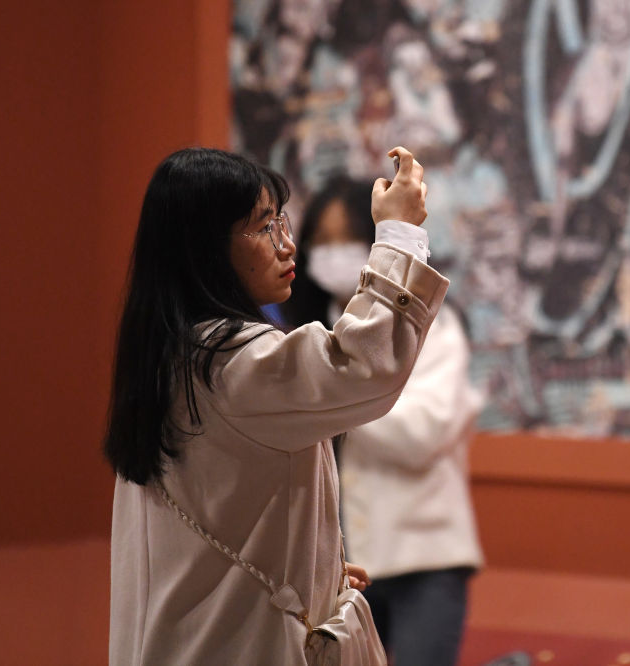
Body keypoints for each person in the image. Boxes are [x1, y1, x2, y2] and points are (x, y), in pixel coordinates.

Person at [104, 146, 445, 665]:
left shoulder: (172, 354)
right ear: (205, 247)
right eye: (264, 228)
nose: (287, 244)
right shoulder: (228, 360)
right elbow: (366, 367)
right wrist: (398, 234)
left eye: (282, 222)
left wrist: (311, 565)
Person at [281, 175, 484, 666]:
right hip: (337, 568)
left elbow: (423, 433)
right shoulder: (304, 334)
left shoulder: (430, 323)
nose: (334, 254)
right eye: (322, 242)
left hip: (425, 556)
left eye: (348, 239)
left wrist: (330, 394)